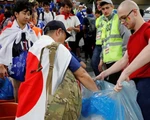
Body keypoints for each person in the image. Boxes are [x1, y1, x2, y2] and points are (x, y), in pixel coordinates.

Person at [15, 20, 98, 120]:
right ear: (59, 32)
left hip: (27, 103)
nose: (64, 42)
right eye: (65, 38)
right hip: (47, 108)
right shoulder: (57, 48)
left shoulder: (34, 47)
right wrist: (98, 94)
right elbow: (82, 74)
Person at [96, 0, 150, 119]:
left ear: (134, 12)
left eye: (124, 18)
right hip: (136, 84)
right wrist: (105, 73)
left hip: (146, 82)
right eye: (120, 19)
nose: (122, 22)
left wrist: (126, 72)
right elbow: (124, 60)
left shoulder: (147, 28)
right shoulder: (132, 38)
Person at [0, 0, 38, 102]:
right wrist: (1, 65)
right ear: (16, 14)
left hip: (30, 66)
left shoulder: (31, 31)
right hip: (14, 67)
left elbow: (37, 47)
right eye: (24, 13)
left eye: (29, 14)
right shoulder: (8, 31)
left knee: (29, 90)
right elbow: (1, 48)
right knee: (17, 89)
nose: (27, 16)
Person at [96, 0, 131, 84]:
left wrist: (125, 58)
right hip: (108, 61)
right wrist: (102, 59)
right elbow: (104, 42)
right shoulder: (103, 22)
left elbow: (127, 37)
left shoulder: (118, 19)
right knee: (113, 86)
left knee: (118, 87)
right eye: (103, 9)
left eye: (107, 8)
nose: (105, 11)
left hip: (118, 60)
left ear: (112, 7)